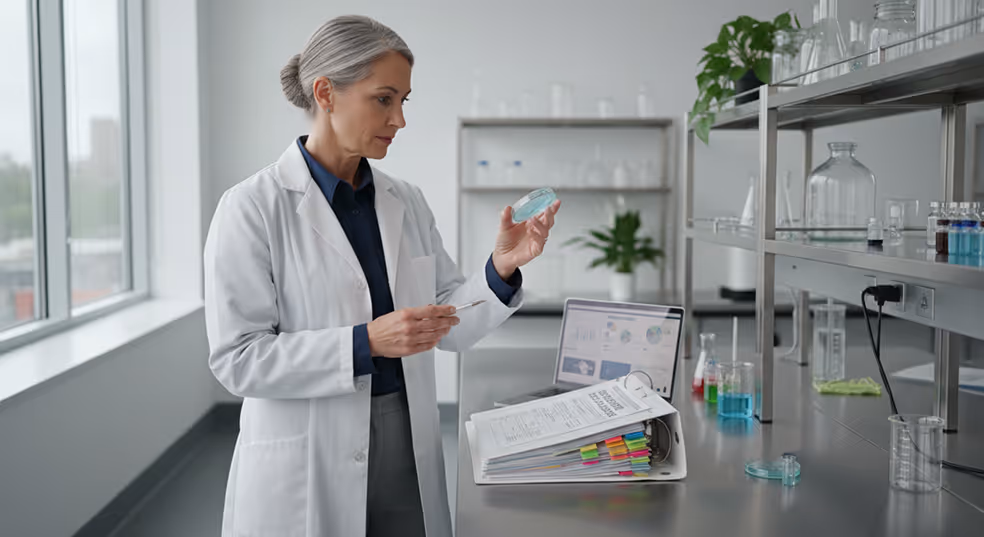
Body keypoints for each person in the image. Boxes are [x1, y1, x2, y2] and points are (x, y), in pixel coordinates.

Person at [203, 14, 560, 537]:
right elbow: (239, 360)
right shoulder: (252, 208)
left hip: (403, 430)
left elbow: (449, 320)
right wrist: (365, 342)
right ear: (326, 92)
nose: (399, 119)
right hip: (308, 445)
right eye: (384, 99)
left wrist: (503, 265)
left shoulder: (404, 200)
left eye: (403, 101)